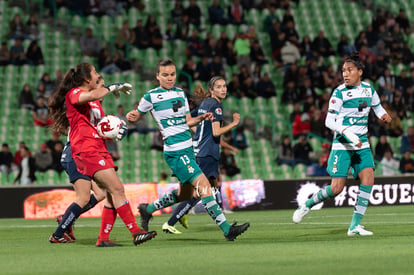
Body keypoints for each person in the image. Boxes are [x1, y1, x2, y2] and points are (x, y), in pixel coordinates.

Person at [126, 59, 249, 241]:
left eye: (173, 74)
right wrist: (132, 116)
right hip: (176, 151)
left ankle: (148, 209)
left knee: (184, 194)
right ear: (157, 76)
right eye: (165, 75)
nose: (170, 78)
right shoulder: (150, 97)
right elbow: (135, 117)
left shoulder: (180, 94)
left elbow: (187, 121)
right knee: (204, 186)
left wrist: (201, 118)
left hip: (189, 148)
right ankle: (227, 229)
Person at [48, 62, 156, 246]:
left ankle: (103, 239)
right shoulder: (73, 94)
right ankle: (135, 232)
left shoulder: (95, 103)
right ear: (86, 79)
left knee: (110, 194)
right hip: (85, 149)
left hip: (98, 148)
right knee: (116, 190)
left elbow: (98, 125)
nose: (99, 77)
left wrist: (113, 132)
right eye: (96, 74)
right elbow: (91, 94)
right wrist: (112, 87)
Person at [292, 52, 392, 236]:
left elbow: (377, 107)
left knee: (368, 178)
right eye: (343, 71)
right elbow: (329, 121)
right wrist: (346, 132)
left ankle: (354, 226)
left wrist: (383, 115)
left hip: (361, 143)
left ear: (360, 72)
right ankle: (306, 205)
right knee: (336, 189)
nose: (345, 74)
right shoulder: (339, 93)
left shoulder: (369, 90)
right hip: (342, 144)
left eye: (349, 70)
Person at [161, 76, 241, 234]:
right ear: (211, 90)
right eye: (218, 87)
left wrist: (199, 135)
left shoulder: (205, 103)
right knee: (198, 190)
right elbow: (216, 132)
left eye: (224, 86)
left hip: (200, 150)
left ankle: (183, 214)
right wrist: (234, 124)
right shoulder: (216, 106)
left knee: (209, 186)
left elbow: (188, 119)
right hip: (207, 152)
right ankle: (171, 220)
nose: (223, 89)